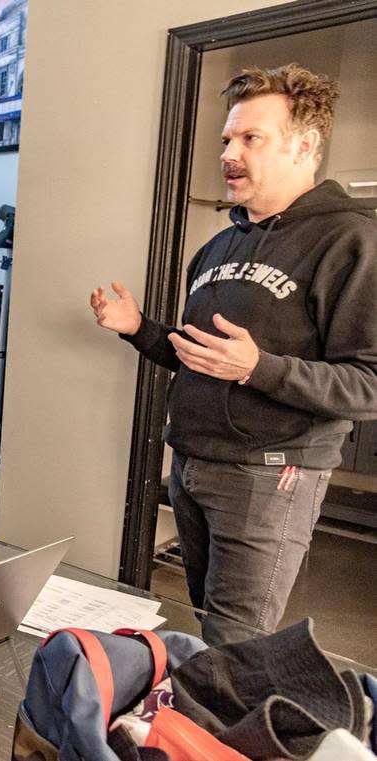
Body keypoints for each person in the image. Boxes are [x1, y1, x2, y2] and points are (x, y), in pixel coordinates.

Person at [90, 64, 377, 644]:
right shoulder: (220, 245)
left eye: (251, 138)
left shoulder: (351, 240)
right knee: (205, 628)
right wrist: (140, 329)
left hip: (270, 476)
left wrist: (258, 367)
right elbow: (201, 357)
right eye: (227, 138)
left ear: (305, 146)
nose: (229, 153)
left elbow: (368, 385)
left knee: (235, 647)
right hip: (193, 466)